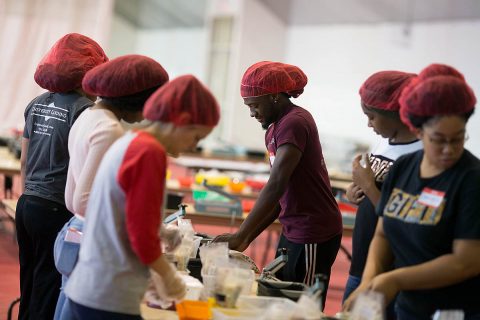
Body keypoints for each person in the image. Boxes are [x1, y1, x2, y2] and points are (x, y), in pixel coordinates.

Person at [64, 75, 220, 319]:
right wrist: (168, 277)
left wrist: (158, 230)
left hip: (92, 284)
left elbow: (121, 212)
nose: (193, 146)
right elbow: (140, 235)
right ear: (183, 121)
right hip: (110, 295)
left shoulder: (129, 140)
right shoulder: (149, 152)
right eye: (196, 137)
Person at [344, 64, 480, 319]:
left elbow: (467, 261)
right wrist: (369, 281)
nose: (449, 149)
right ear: (418, 131)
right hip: (409, 305)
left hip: (451, 310)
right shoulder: (404, 167)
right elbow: (383, 234)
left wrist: (395, 279)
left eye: (458, 138)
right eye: (439, 139)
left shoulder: (471, 179)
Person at [213, 61, 342, 307]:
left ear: (273, 96)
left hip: (313, 230)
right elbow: (279, 195)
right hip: (293, 226)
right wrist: (246, 237)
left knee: (302, 305)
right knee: (278, 298)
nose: (252, 113)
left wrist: (241, 235)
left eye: (254, 105)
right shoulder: (274, 128)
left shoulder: (294, 122)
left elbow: (276, 183)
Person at [53, 54, 170, 320]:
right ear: (138, 99)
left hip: (75, 229)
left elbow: (75, 197)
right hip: (90, 238)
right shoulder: (109, 129)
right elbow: (84, 200)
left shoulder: (89, 117)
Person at [15, 33, 108, 320]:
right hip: (56, 208)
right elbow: (85, 167)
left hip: (27, 204)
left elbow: (24, 161)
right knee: (49, 287)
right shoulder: (84, 111)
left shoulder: (37, 103)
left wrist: (27, 193)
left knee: (29, 281)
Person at [343, 71, 422, 313]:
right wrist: (354, 191)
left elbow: (404, 218)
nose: (368, 124)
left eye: (372, 117)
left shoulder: (419, 155)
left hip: (387, 271)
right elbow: (377, 193)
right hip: (361, 262)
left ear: (398, 115)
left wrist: (368, 186)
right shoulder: (387, 141)